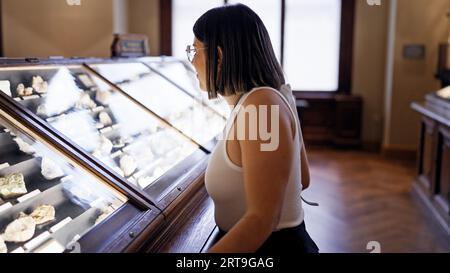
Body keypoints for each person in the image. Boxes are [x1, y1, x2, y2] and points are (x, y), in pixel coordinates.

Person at [186, 3, 319, 253]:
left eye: (194, 50)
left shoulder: (260, 108)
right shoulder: (269, 97)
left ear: (219, 55)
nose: (192, 62)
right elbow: (303, 177)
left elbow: (261, 220)